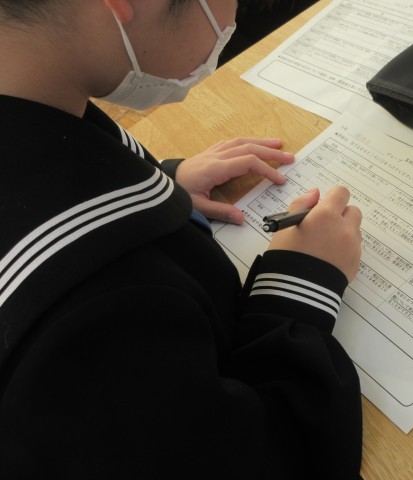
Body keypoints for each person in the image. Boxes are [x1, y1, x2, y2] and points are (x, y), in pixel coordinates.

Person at [0, 1, 363, 478]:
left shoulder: (36, 91)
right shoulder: (98, 317)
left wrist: (164, 184)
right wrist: (297, 287)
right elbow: (259, 457)